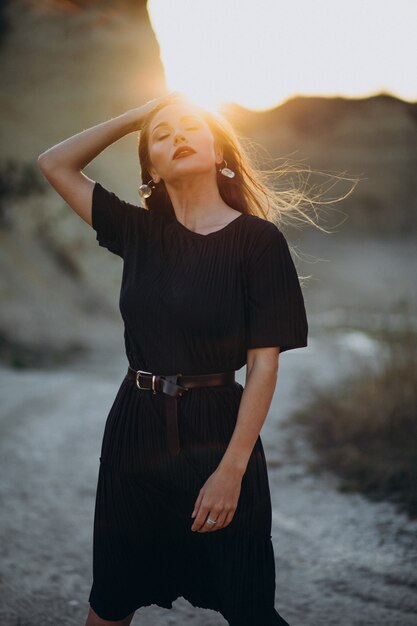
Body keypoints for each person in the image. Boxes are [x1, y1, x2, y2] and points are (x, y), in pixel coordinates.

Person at [38, 92, 309, 626]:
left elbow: (264, 366)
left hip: (218, 433)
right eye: (161, 136)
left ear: (219, 151)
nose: (176, 136)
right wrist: (138, 117)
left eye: (190, 127)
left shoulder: (258, 241)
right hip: (133, 430)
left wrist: (231, 471)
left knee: (249, 605)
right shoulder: (136, 233)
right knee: (111, 600)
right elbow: (54, 163)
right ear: (151, 172)